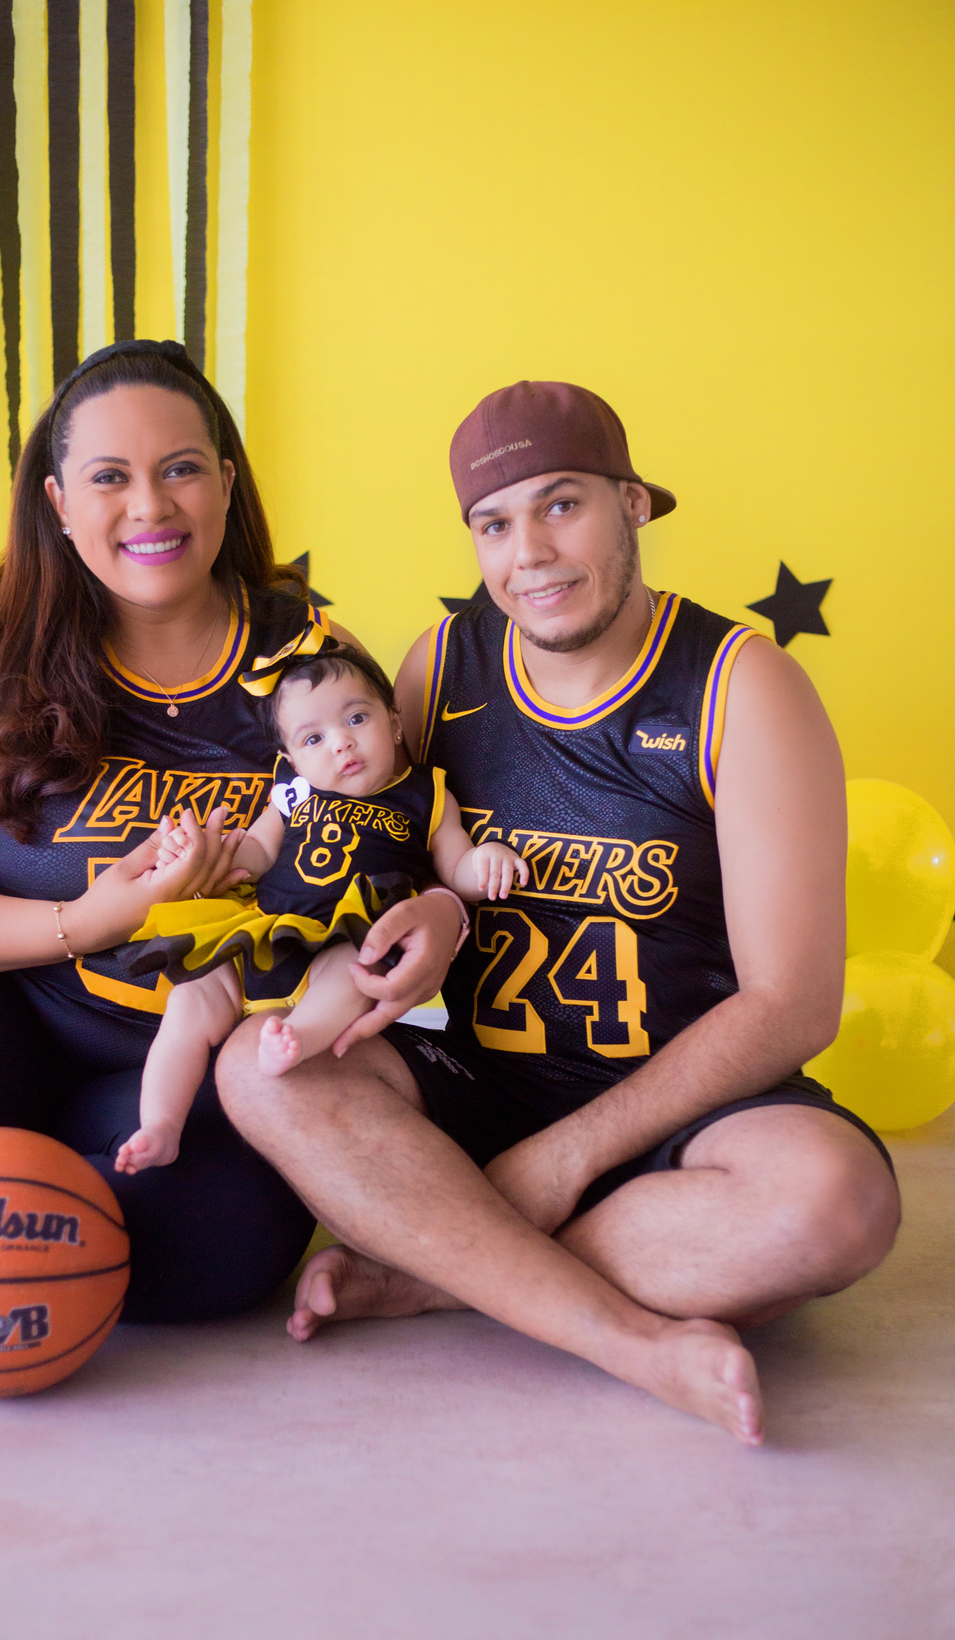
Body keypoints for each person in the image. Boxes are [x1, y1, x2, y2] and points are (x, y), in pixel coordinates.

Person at [216, 380, 901, 1444]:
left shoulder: (740, 685)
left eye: (562, 503)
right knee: (262, 1069)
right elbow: (383, 853)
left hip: (683, 1107)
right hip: (486, 1083)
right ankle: (622, 1333)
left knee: (837, 1203)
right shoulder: (440, 668)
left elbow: (793, 1004)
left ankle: (441, 1274)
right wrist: (435, 915)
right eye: (495, 522)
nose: (528, 550)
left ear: (634, 504)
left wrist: (565, 1161)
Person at [0, 340, 463, 1321]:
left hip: (195, 1045)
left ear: (224, 481)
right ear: (57, 503)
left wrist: (436, 916)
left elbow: (400, 831)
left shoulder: (312, 662)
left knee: (208, 1259)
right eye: (109, 478)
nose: (150, 508)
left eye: (179, 469)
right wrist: (84, 920)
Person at [111, 642, 528, 1170]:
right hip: (267, 925)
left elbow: (455, 867)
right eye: (314, 738)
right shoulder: (293, 793)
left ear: (395, 723)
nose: (342, 744)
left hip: (351, 928)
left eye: (357, 718)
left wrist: (486, 859)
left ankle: (300, 1036)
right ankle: (161, 1124)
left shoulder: (427, 793)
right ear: (291, 759)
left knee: (356, 970)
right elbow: (258, 852)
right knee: (190, 1001)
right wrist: (214, 852)